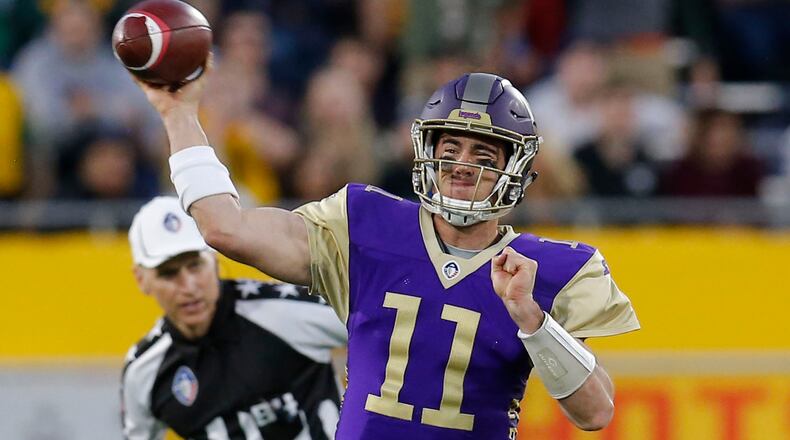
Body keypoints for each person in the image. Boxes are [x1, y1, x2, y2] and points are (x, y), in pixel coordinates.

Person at [134, 68, 639, 439]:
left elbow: (595, 413)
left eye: (483, 155)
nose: (461, 165)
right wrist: (178, 113)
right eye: (451, 149)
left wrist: (532, 319)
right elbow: (226, 229)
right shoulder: (364, 224)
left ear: (518, 169)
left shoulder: (547, 270)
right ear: (427, 152)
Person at [122, 196, 347, 440]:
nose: (188, 286)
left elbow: (383, 326)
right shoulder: (144, 372)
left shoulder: (282, 311)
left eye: (195, 265)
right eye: (169, 274)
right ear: (141, 279)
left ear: (215, 260)